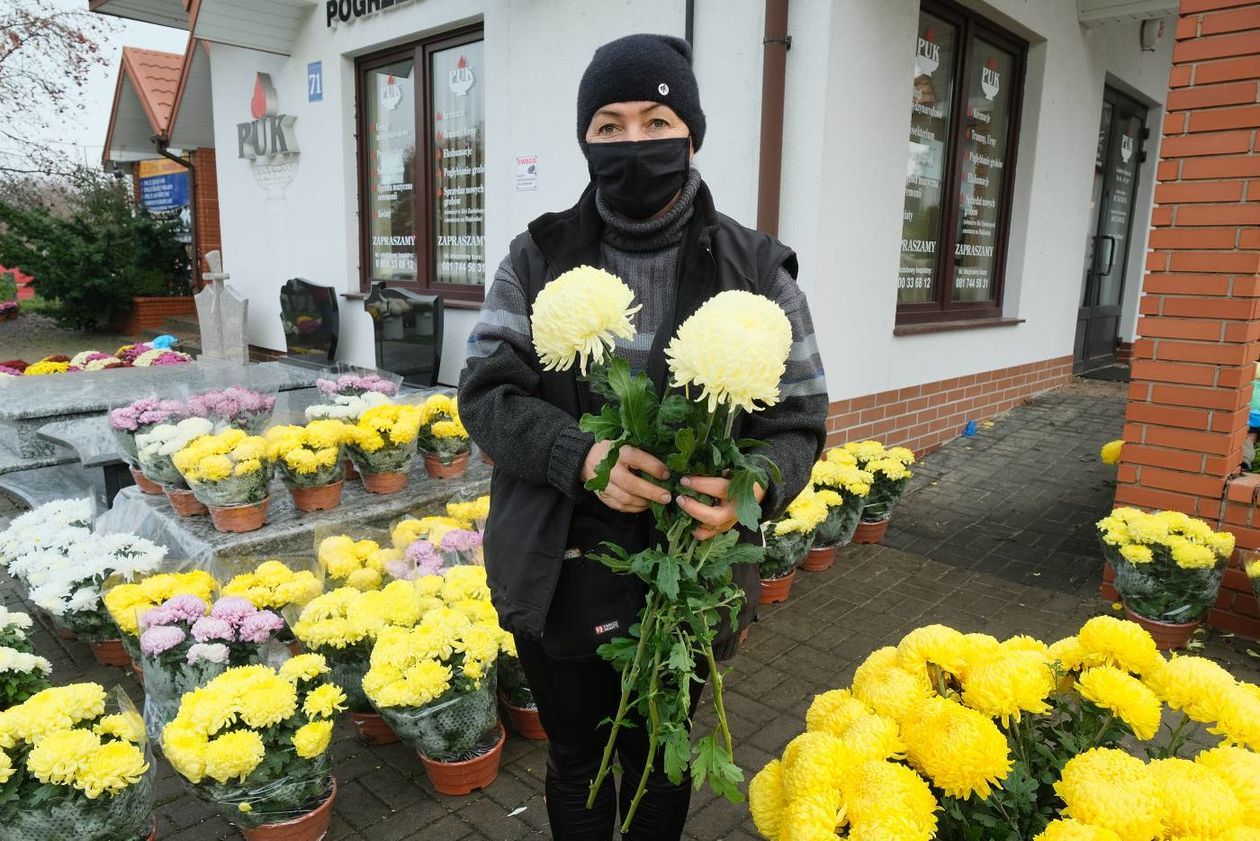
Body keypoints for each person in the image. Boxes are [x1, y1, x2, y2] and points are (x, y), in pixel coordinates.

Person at [459, 33, 828, 840]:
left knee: (661, 751)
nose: (634, 143)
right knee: (578, 758)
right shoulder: (536, 255)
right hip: (557, 563)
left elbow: (800, 417)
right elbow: (485, 392)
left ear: (692, 132)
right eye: (610, 125)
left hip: (684, 576)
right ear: (585, 139)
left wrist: (753, 483)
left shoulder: (758, 270)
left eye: (656, 119)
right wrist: (577, 454)